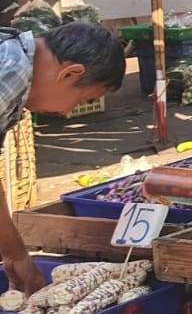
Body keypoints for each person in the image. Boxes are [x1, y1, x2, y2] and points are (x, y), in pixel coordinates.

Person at [0, 22, 126, 294]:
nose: (69, 112)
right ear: (70, 74)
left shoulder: (14, 58)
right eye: (81, 100)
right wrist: (16, 254)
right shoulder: (12, 72)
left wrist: (14, 254)